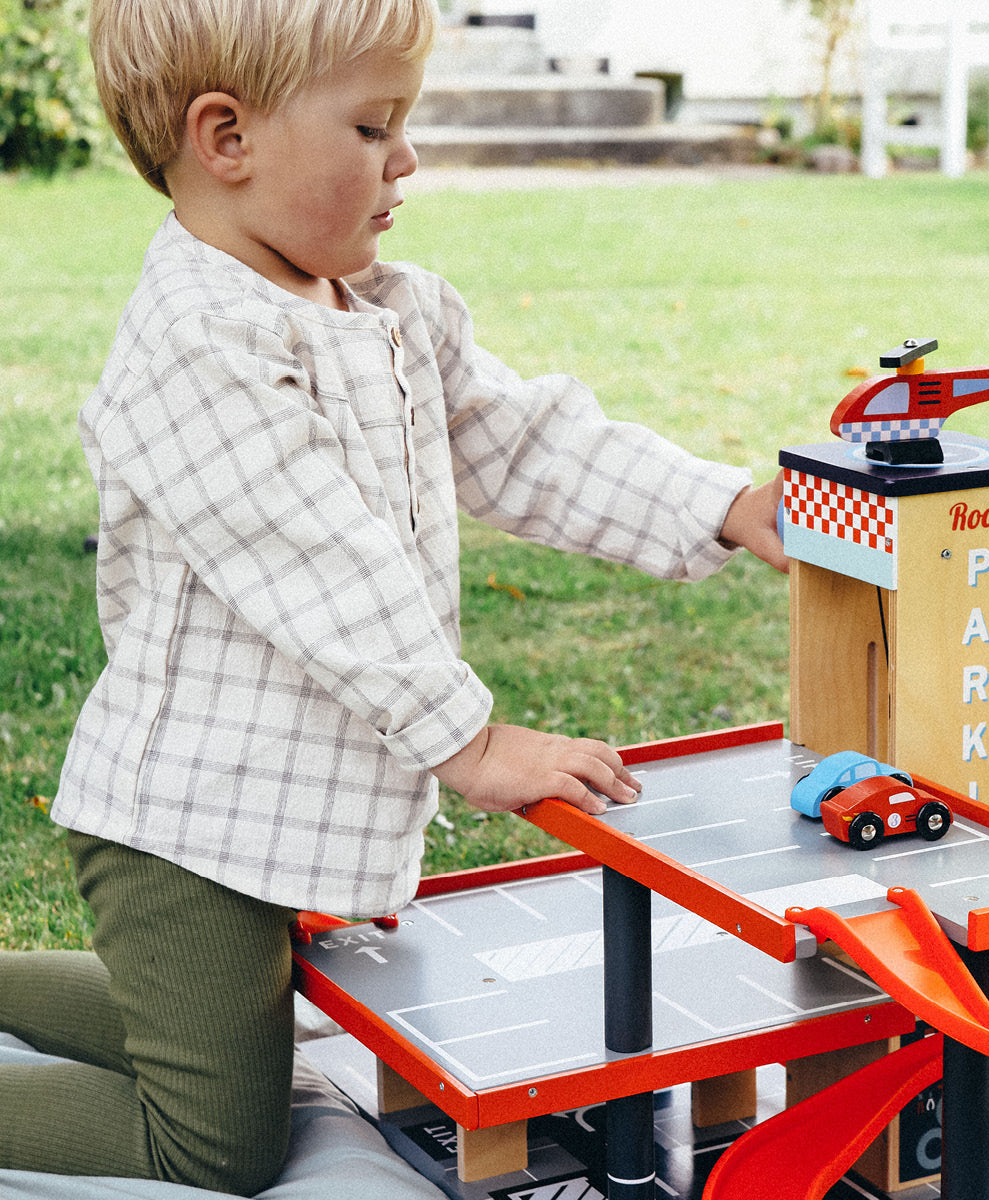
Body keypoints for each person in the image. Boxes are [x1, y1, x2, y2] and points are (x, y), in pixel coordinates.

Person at [0, 0, 786, 1193]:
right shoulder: (194, 347)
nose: (406, 160)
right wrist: (470, 742)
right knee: (212, 1142)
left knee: (211, 1025)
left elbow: (529, 445)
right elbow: (320, 568)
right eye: (372, 128)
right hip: (191, 827)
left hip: (275, 818)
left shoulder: (388, 311)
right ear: (227, 139)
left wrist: (721, 503)